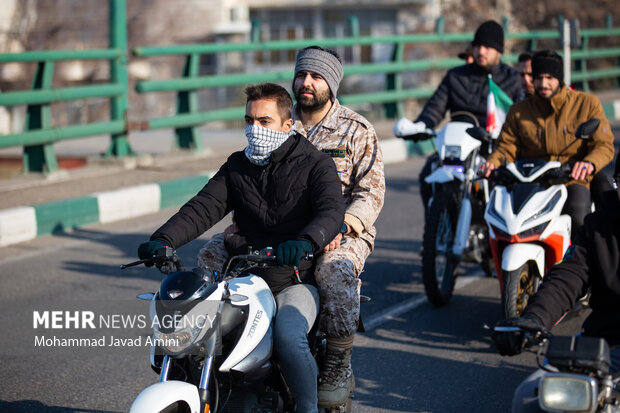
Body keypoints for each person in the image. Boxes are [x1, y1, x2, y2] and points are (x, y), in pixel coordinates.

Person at [138, 82, 345, 413]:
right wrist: (163, 239)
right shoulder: (238, 165)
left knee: (290, 339)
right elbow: (202, 207)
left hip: (292, 278)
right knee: (199, 328)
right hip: (243, 276)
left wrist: (304, 241)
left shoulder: (316, 164)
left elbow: (332, 212)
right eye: (249, 121)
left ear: (287, 125)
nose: (255, 129)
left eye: (264, 122)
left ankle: (308, 409)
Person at [290, 45, 385, 408]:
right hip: (287, 228)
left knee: (334, 271)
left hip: (345, 231)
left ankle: (338, 361)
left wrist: (342, 227)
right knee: (221, 254)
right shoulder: (279, 123)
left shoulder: (356, 130)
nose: (307, 83)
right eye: (302, 75)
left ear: (331, 83)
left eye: (316, 77)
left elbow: (371, 192)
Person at [492, 152, 620, 413]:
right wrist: (533, 319)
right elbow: (567, 277)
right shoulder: (598, 226)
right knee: (528, 399)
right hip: (604, 344)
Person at [393, 20, 522, 215]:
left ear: (499, 51)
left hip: (495, 147)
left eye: (487, 47)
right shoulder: (456, 76)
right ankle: (435, 224)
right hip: (458, 147)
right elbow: (435, 108)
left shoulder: (512, 78)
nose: (481, 51)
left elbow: (522, 116)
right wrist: (420, 125)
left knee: (508, 180)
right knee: (428, 172)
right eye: (478, 46)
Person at [480, 50, 615, 233]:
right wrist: (492, 162)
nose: (543, 84)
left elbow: (603, 144)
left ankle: (580, 259)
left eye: (550, 77)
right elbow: (506, 146)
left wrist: (589, 163)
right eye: (539, 78)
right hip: (531, 183)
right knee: (501, 218)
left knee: (577, 212)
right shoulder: (518, 111)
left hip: (571, 180)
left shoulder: (586, 104)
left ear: (560, 78)